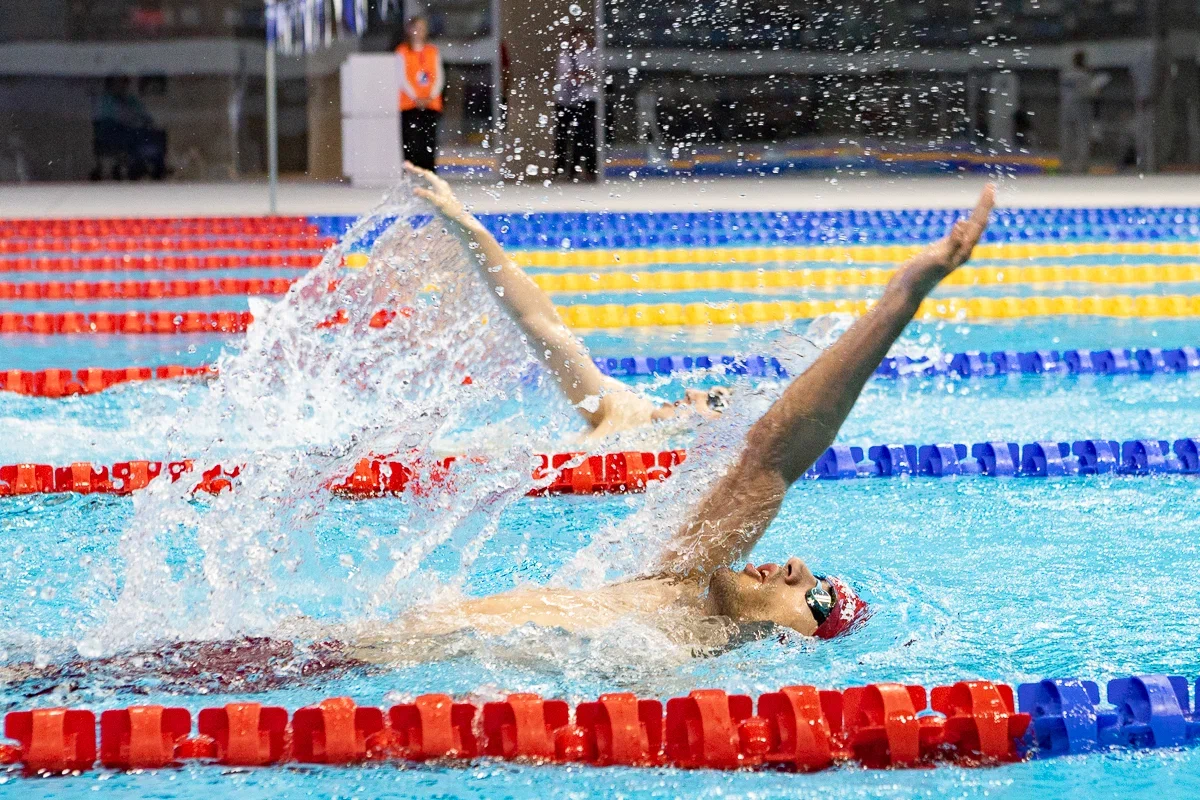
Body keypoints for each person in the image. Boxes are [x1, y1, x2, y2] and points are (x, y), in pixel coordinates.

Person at [0, 183, 995, 689]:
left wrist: (911, 290)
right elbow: (769, 442)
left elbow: (781, 442)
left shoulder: (691, 619)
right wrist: (909, 287)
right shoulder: (684, 580)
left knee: (93, 666)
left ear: (798, 625)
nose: (799, 560)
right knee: (103, 664)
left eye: (815, 588)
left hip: (387, 651)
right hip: (395, 646)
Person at [406, 163, 729, 442]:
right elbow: (541, 324)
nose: (692, 392)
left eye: (712, 402)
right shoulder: (629, 411)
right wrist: (468, 226)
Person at [395, 16, 445, 172]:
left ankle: (429, 174)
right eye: (416, 28)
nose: (419, 32)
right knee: (411, 142)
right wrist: (415, 97)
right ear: (409, 30)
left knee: (428, 142)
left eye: (422, 28)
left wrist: (430, 95)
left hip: (430, 104)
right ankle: (411, 175)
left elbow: (439, 76)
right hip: (410, 105)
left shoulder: (432, 51)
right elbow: (401, 78)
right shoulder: (402, 51)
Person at [554, 27, 599, 182]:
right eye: (576, 39)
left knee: (583, 136)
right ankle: (561, 169)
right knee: (562, 136)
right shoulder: (566, 55)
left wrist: (583, 75)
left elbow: (594, 74)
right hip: (565, 101)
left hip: (582, 100)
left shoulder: (592, 54)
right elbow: (570, 75)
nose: (580, 42)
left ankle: (582, 169)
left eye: (582, 38)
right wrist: (583, 75)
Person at [1058, 51, 1110, 175]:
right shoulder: (1084, 76)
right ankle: (1082, 165)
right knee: (1082, 137)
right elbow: (1089, 93)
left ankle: (1065, 164)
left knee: (1067, 136)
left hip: (1066, 108)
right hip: (1081, 109)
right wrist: (1097, 88)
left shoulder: (1065, 75)